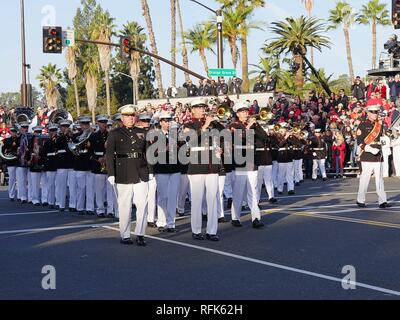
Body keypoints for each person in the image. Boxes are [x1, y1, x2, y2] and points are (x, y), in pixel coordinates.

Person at [106, 105, 150, 246]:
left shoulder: (142, 132)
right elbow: (109, 155)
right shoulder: (114, 133)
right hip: (123, 171)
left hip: (141, 171)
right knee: (124, 205)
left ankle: (140, 233)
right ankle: (125, 234)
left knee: (142, 204)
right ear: (122, 118)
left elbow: (148, 153)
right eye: (127, 116)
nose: (131, 118)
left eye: (133, 115)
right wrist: (111, 173)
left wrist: (151, 171)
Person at [182, 97, 222, 241]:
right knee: (197, 199)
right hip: (197, 164)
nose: (201, 110)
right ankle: (196, 230)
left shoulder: (212, 124)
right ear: (192, 110)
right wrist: (204, 126)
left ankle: (212, 231)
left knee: (212, 199)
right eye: (198, 108)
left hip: (212, 164)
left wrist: (219, 148)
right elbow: (189, 140)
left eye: (203, 107)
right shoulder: (188, 124)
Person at [150, 112, 181, 232]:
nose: (168, 123)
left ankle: (171, 222)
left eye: (169, 121)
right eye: (165, 121)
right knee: (163, 196)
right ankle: (161, 222)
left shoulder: (176, 134)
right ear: (161, 122)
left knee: (173, 196)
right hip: (161, 168)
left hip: (175, 168)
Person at [356, 105, 390, 208]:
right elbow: (360, 142)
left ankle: (382, 201)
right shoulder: (362, 125)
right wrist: (370, 149)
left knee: (379, 179)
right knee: (365, 178)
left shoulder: (379, 125)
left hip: (378, 154)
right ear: (368, 113)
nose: (375, 114)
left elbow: (380, 139)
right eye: (373, 112)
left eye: (376, 112)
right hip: (367, 155)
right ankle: (360, 200)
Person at [1, 127, 19, 201]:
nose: (13, 133)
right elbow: (3, 150)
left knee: (19, 179)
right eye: (12, 131)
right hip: (10, 161)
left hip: (18, 161)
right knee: (12, 179)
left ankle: (20, 196)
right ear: (10, 132)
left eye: (14, 132)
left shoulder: (19, 140)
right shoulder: (6, 140)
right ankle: (11, 195)